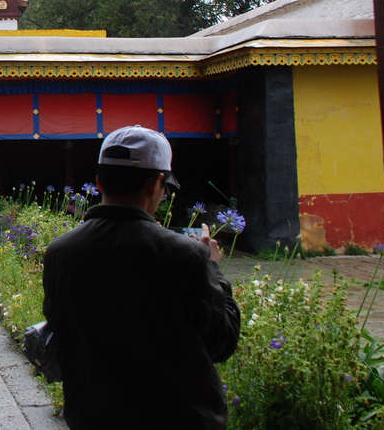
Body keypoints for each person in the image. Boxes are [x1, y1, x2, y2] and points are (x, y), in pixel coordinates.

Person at [41, 125, 240, 429]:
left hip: (94, 417)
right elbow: (221, 342)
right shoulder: (186, 255)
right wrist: (213, 267)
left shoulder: (60, 252)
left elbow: (59, 330)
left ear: (99, 181)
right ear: (156, 183)